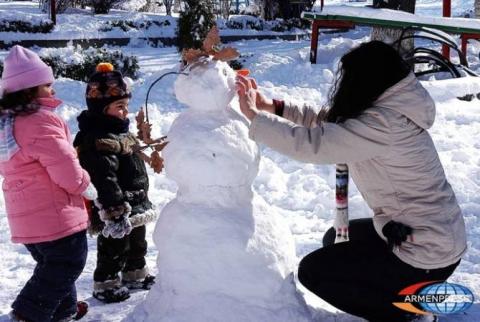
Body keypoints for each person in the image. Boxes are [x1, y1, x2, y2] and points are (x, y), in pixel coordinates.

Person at [236, 41, 467, 322]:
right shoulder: (392, 109)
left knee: (314, 272)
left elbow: (314, 144)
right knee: (335, 240)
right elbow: (330, 124)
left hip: (426, 253)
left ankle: (407, 313)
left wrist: (255, 118)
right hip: (429, 236)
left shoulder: (384, 124)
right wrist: (273, 108)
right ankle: (403, 292)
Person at [0, 45, 96, 322]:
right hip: (55, 214)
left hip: (28, 219)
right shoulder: (40, 122)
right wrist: (83, 185)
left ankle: (62, 311)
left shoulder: (8, 123)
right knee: (67, 262)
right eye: (47, 85)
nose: (52, 90)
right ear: (29, 90)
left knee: (52, 265)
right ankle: (27, 313)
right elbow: (63, 164)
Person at [74, 63, 156, 304]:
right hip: (117, 207)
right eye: (119, 107)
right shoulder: (98, 141)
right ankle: (106, 282)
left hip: (135, 201)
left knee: (138, 242)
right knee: (114, 246)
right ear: (101, 109)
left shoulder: (119, 133)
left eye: (126, 106)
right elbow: (104, 178)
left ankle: (134, 272)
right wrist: (113, 209)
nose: (125, 112)